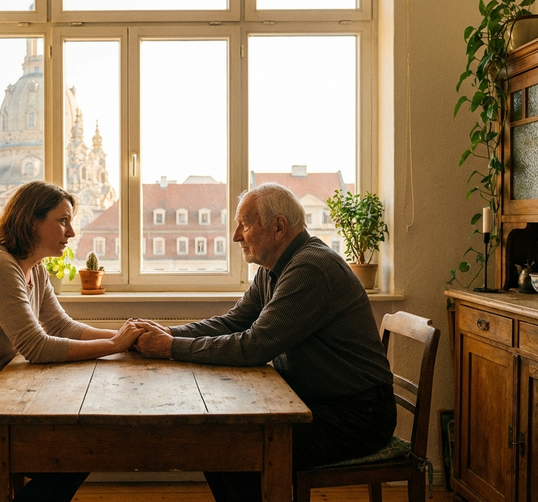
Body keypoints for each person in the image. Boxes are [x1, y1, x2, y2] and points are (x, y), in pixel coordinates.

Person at [134, 182, 396, 502]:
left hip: (357, 415)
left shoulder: (310, 267)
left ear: (278, 226)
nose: (235, 236)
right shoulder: (274, 267)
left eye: (244, 224)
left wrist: (169, 348)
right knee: (218, 438)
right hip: (320, 402)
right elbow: (233, 322)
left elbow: (253, 346)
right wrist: (169, 333)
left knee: (234, 447)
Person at [0, 181, 144, 502]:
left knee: (74, 452)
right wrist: (116, 345)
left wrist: (126, 338)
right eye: (62, 220)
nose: (72, 232)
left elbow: (62, 326)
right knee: (71, 456)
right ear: (31, 221)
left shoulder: (33, 269)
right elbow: (37, 347)